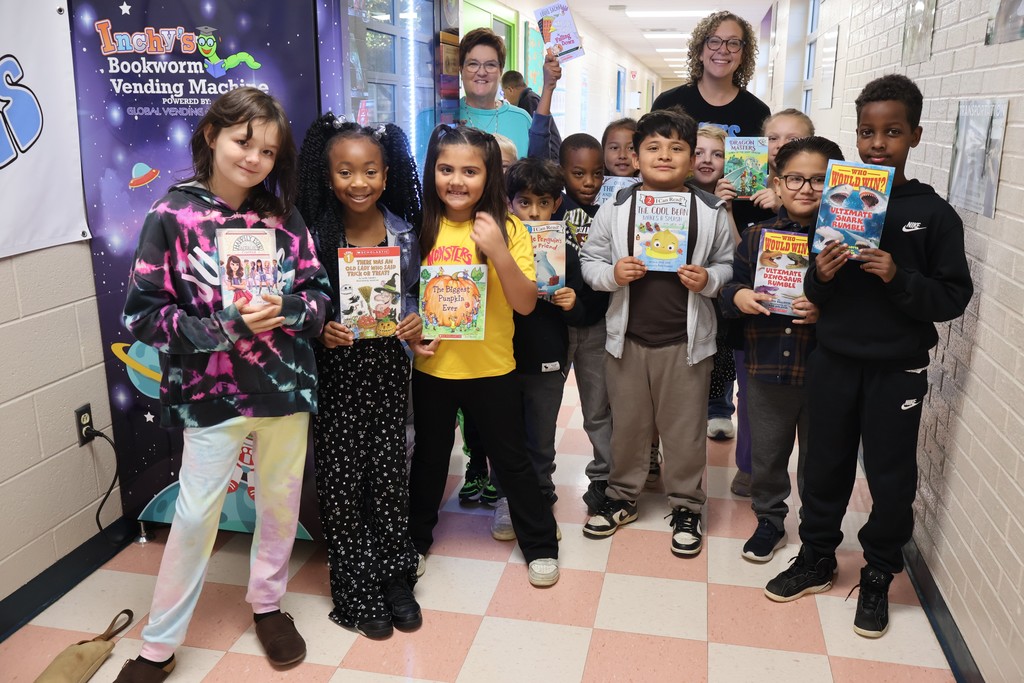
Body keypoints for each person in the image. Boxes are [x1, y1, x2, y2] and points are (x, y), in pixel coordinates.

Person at [117, 87, 331, 682]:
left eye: (268, 150)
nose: (254, 158)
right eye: (243, 141)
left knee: (280, 502)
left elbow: (318, 299)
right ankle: (159, 644)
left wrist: (289, 309)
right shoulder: (170, 216)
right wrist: (223, 326)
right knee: (194, 516)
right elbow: (141, 316)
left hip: (284, 390)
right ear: (213, 134)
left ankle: (267, 604)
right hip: (210, 396)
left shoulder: (283, 217)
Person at [764, 75, 974, 639]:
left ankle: (879, 572)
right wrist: (822, 275)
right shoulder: (839, 200)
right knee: (825, 465)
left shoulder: (932, 214)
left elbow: (953, 296)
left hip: (896, 367)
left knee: (890, 476)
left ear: (915, 135)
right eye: (867, 132)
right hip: (834, 359)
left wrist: (898, 276)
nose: (878, 143)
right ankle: (816, 557)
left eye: (892, 132)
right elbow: (814, 289)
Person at [406, 124, 560, 587]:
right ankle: (414, 541)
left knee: (511, 460)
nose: (457, 180)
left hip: (493, 368)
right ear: (431, 170)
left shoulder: (507, 227)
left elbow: (526, 302)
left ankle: (540, 544)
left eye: (470, 171)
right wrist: (410, 335)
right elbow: (407, 297)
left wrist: (497, 251)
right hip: (433, 367)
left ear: (489, 175)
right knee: (430, 458)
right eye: (446, 168)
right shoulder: (419, 226)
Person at [580, 107, 734, 557]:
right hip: (626, 338)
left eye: (676, 148)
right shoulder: (617, 207)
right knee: (628, 425)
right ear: (635, 155)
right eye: (653, 147)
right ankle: (621, 496)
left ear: (690, 160)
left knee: (684, 430)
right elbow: (590, 261)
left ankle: (686, 505)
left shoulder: (710, 210)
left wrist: (709, 280)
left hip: (686, 343)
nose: (664, 155)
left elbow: (728, 263)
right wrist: (614, 274)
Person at [295, 115, 424, 640]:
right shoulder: (313, 233)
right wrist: (319, 329)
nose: (358, 182)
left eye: (369, 171)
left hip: (389, 370)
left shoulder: (404, 231)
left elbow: (414, 292)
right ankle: (354, 583)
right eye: (345, 172)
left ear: (387, 173)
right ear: (328, 178)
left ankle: (396, 577)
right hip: (337, 372)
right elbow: (302, 300)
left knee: (390, 478)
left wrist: (414, 318)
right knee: (344, 483)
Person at [719, 136, 844, 563]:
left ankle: (815, 530)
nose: (807, 188)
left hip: (826, 371)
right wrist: (737, 297)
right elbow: (731, 284)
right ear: (777, 182)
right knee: (768, 455)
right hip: (767, 366)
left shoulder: (847, 245)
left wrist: (826, 313)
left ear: (837, 185)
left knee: (820, 458)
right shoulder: (757, 237)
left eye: (819, 180)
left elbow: (866, 306)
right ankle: (769, 519)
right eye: (795, 178)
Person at [487, 156, 587, 540]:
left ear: (556, 204)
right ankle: (505, 498)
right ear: (508, 203)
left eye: (543, 203)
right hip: (500, 358)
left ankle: (540, 496)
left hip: (547, 357)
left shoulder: (563, 249)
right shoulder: (497, 246)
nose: (533, 212)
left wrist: (571, 303)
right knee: (504, 433)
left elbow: (585, 310)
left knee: (541, 436)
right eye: (524, 202)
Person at [651, 11, 772, 233]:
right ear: (699, 51)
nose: (723, 49)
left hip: (736, 223)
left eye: (733, 43)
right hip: (674, 218)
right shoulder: (668, 102)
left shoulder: (758, 111)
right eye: (714, 41)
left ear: (743, 55)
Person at [458, 28, 531, 158]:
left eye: (490, 65)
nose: (481, 72)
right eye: (473, 64)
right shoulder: (444, 117)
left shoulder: (521, 120)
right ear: (461, 69)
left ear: (501, 71)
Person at [746, 109, 816, 214]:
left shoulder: (818, 194)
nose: (781, 145)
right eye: (773, 138)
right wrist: (725, 207)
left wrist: (782, 210)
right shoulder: (747, 186)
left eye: (793, 139)